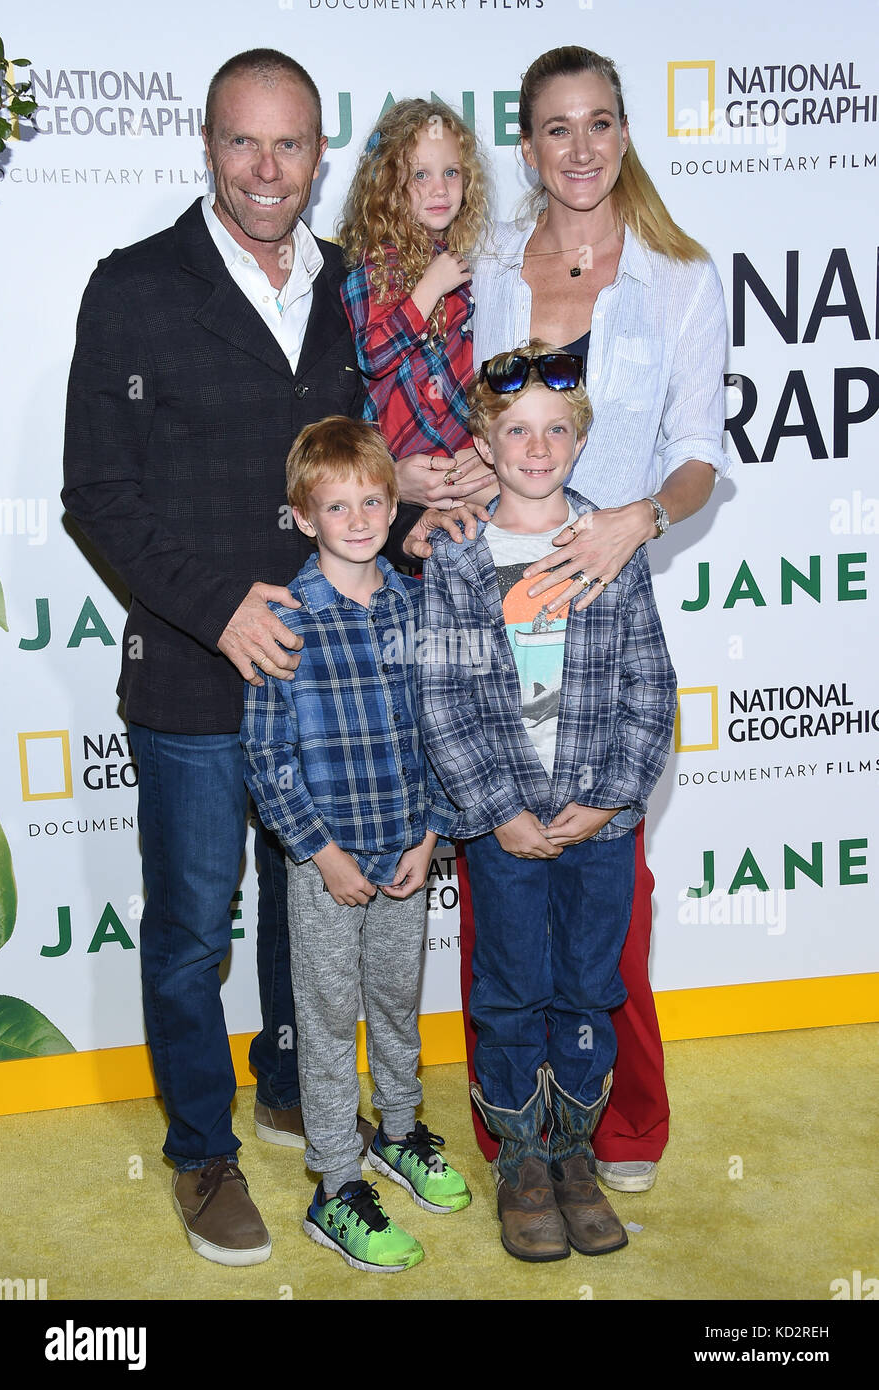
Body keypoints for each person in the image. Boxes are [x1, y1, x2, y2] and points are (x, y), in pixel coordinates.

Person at [61, 48, 442, 1266]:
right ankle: (199, 1153)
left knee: (305, 915)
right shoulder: (134, 286)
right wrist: (219, 607)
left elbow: (371, 464)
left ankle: (293, 1086)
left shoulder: (351, 288)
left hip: (333, 684)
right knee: (189, 929)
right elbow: (99, 495)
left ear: (318, 154)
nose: (267, 170)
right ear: (208, 146)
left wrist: (434, 491)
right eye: (243, 143)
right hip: (192, 671)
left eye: (290, 146)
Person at [464, 45, 732, 1189]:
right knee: (500, 898)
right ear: (525, 145)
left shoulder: (678, 274)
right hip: (490, 604)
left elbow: (697, 460)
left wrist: (635, 521)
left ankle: (616, 1130)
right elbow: (452, 413)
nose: (579, 148)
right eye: (555, 128)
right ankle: (512, 1142)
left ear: (625, 132)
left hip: (607, 613)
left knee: (609, 908)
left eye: (599, 123)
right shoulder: (480, 265)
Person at [416, 342, 676, 1261]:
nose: (537, 447)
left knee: (588, 989)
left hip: (599, 826)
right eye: (517, 430)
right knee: (512, 990)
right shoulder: (454, 561)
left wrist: (612, 802)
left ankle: (575, 1154)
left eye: (555, 430)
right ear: (485, 442)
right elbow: (441, 699)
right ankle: (521, 1158)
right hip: (506, 825)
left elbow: (651, 685)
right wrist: (496, 810)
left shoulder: (607, 545)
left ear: (579, 440)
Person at [242, 416, 470, 1274]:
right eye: (337, 506)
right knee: (331, 1024)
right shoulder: (287, 619)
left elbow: (440, 730)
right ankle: (336, 1184)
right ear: (305, 516)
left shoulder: (418, 607)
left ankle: (401, 1135)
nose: (361, 518)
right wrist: (320, 854)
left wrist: (433, 830)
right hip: (326, 867)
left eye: (374, 499)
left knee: (399, 1008)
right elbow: (265, 756)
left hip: (407, 856)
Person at [338, 98, 496, 511]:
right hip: (407, 467)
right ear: (390, 185)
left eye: (451, 172)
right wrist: (429, 287)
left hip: (463, 456)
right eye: (420, 175)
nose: (440, 189)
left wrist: (483, 446)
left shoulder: (457, 264)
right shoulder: (375, 267)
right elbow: (372, 354)